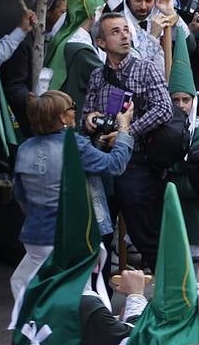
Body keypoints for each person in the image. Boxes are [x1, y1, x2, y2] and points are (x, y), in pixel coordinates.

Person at [10, 90, 134, 300]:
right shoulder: (74, 144)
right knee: (73, 296)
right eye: (72, 108)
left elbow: (20, 194)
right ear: (61, 117)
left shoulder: (24, 149)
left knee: (40, 293)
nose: (75, 112)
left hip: (34, 235)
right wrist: (123, 129)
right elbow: (115, 165)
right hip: (68, 238)